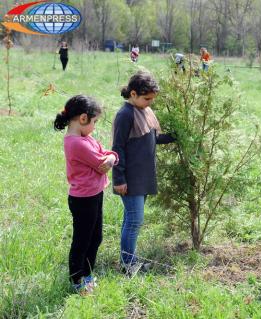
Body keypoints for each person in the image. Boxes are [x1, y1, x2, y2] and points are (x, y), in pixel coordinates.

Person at [112, 71, 176, 276]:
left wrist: (175, 137)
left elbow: (152, 138)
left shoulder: (144, 112)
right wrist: (119, 178)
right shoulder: (125, 115)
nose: (149, 103)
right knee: (134, 221)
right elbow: (118, 148)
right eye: (146, 98)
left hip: (143, 176)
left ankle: (130, 260)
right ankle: (129, 265)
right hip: (130, 178)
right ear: (133, 94)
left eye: (151, 99)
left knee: (131, 219)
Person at [54, 95, 118, 294]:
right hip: (84, 200)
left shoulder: (86, 138)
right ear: (83, 118)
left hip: (94, 195)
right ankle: (76, 280)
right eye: (95, 122)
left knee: (95, 237)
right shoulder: (77, 143)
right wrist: (109, 158)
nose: (95, 127)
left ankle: (87, 275)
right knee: (82, 240)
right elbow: (102, 166)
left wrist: (110, 156)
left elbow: (108, 155)